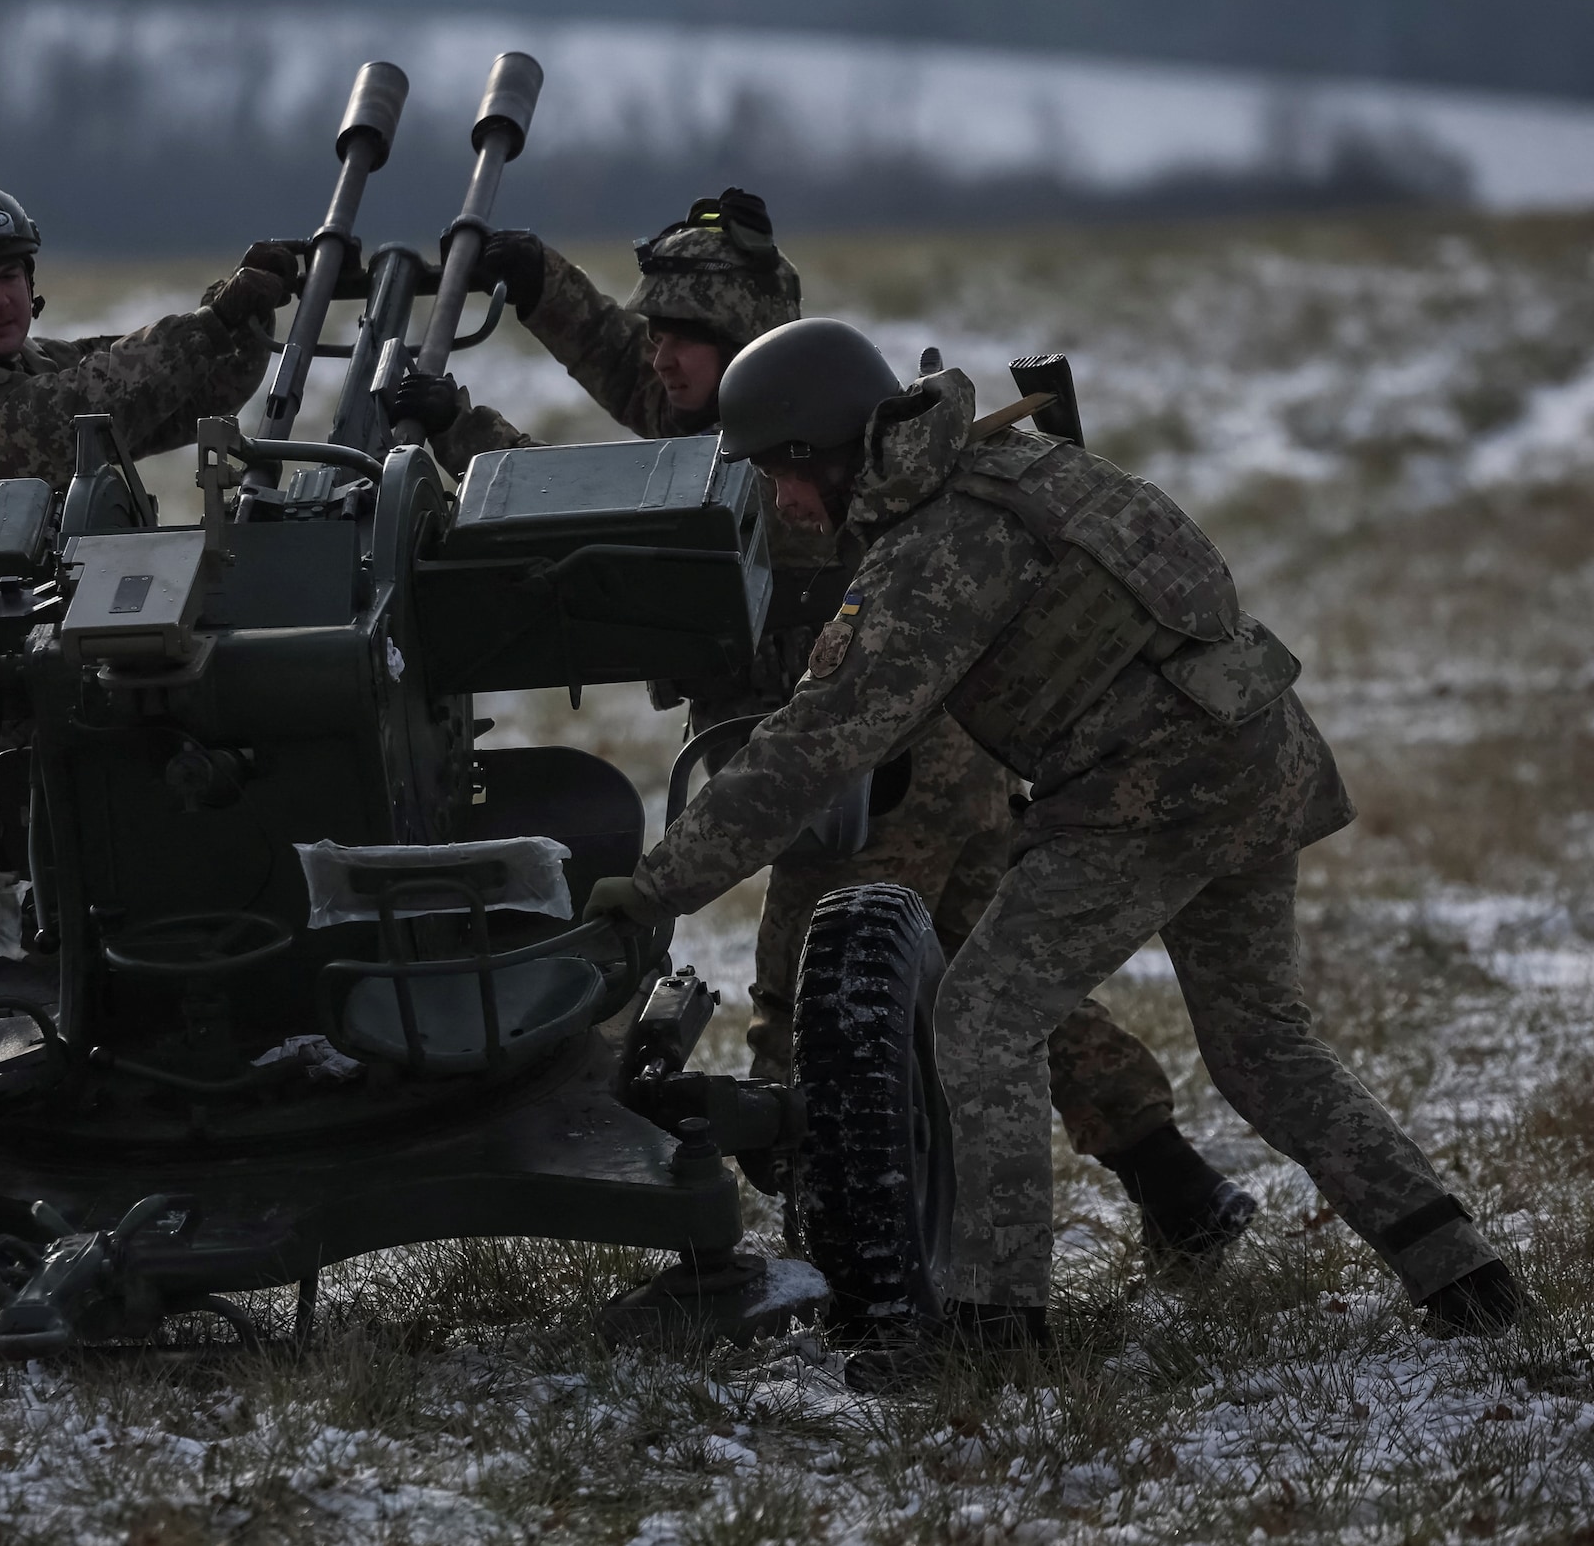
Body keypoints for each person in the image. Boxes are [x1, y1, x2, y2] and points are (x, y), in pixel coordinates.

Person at [583, 319, 1522, 1364]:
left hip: (1154, 792)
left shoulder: (934, 551)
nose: (777, 503)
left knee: (982, 1020)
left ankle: (995, 1329)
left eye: (774, 473)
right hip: (1257, 753)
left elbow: (809, 748)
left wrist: (658, 886)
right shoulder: (1009, 468)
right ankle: (1463, 1275)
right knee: (1260, 1046)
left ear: (818, 450)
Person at [395, 194, 1248, 1255]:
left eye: (684, 342)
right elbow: (638, 372)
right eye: (653, 334)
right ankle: (1176, 1186)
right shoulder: (776, 426)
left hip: (871, 773)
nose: (656, 359)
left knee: (806, 1007)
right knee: (981, 976)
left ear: (750, 357)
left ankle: (833, 1247)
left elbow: (597, 525)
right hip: (930, 757)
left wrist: (457, 432)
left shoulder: (782, 482)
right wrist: (538, 284)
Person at [0, 178, 291, 878]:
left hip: (52, 709)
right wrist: (210, 324)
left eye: (9, 274)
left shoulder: (25, 365)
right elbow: (54, 423)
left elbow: (187, 391)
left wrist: (243, 317)